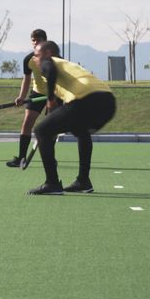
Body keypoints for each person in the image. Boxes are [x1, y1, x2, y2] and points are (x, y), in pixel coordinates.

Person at [27, 41, 117, 195]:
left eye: (37, 55)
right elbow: (63, 107)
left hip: (85, 99)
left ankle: (52, 183)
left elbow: (49, 70)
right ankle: (83, 181)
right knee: (81, 131)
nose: (35, 59)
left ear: (48, 53)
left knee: (41, 131)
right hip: (107, 101)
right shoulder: (68, 66)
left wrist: (50, 99)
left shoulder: (50, 62)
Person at [5, 28, 58, 168]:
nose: (35, 43)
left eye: (38, 40)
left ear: (45, 41)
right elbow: (27, 79)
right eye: (33, 40)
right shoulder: (28, 59)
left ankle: (50, 158)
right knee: (27, 123)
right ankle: (21, 158)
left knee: (50, 129)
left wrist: (53, 97)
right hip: (37, 93)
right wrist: (21, 97)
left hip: (54, 94)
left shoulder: (55, 58)